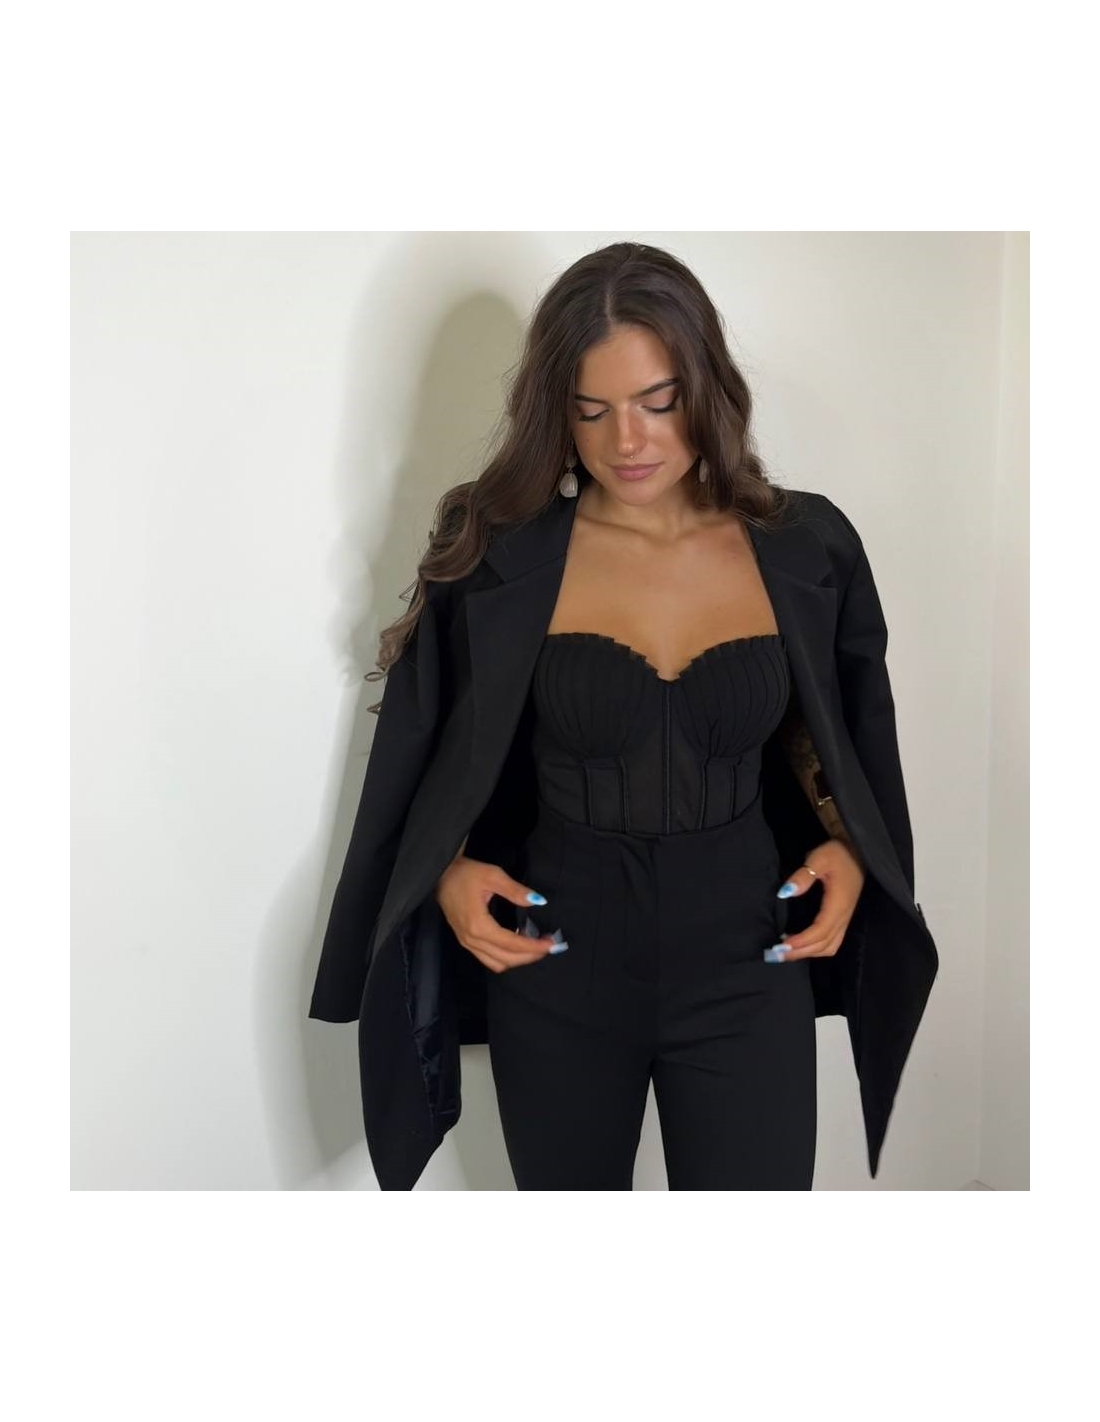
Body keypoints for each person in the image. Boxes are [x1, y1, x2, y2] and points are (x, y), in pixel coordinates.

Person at [308, 241, 938, 1191]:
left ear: (706, 389)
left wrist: (853, 851)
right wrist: (443, 873)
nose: (627, 442)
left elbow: (854, 741)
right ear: (555, 411)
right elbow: (424, 754)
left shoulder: (807, 547)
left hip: (748, 962)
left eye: (657, 401)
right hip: (557, 965)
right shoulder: (499, 553)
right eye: (591, 410)